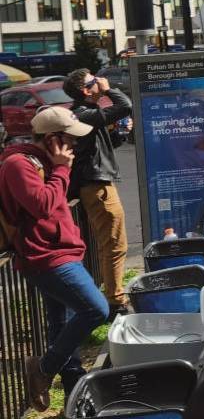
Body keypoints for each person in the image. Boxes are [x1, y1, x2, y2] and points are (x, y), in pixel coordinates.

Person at [0, 107, 107, 408]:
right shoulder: (17, 164)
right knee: (95, 309)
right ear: (51, 139)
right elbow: (42, 205)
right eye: (69, 139)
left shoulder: (46, 161)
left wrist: (60, 167)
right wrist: (61, 168)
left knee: (62, 322)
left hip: (62, 250)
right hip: (44, 256)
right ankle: (43, 369)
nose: (74, 144)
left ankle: (74, 391)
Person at [63, 68, 132, 318]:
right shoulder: (82, 113)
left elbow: (102, 145)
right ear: (85, 90)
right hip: (97, 185)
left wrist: (121, 134)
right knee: (114, 243)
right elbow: (125, 105)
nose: (100, 82)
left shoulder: (87, 114)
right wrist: (108, 89)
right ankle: (116, 302)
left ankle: (112, 296)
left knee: (113, 242)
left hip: (98, 182)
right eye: (94, 81)